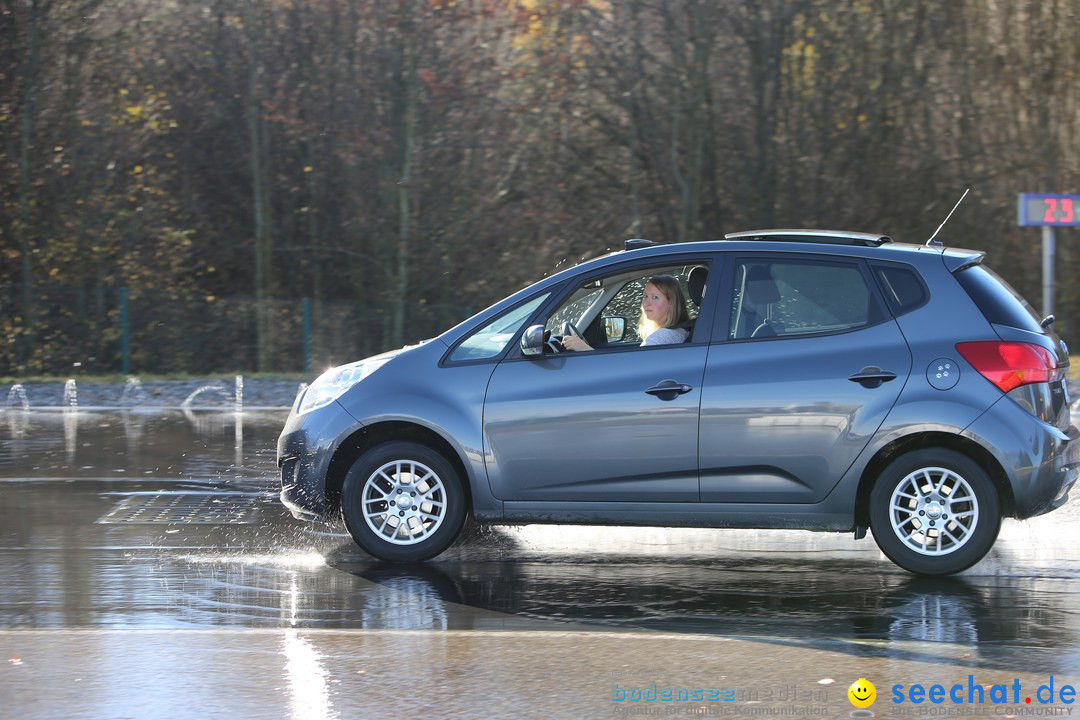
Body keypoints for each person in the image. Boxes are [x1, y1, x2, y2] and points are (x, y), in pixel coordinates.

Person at [561, 274, 691, 351]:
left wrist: (584, 349)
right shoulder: (680, 331)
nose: (646, 303)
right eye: (645, 296)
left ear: (671, 303)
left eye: (655, 297)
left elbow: (630, 369)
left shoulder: (661, 337)